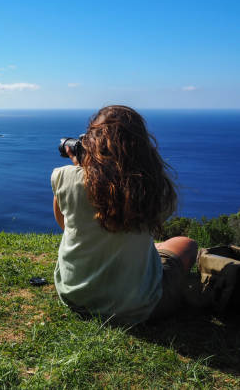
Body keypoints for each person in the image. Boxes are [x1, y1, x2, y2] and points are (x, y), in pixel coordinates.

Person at [51, 105, 198, 325]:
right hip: (137, 306)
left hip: (74, 295)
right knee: (186, 244)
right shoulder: (156, 189)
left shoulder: (63, 176)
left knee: (164, 246)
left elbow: (64, 222)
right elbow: (149, 222)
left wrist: (83, 168)